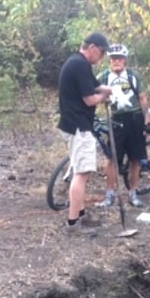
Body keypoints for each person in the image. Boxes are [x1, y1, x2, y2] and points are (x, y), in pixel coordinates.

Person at [57, 32, 113, 235]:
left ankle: (80, 213)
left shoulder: (79, 62)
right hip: (79, 126)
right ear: (92, 48)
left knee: (82, 171)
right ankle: (73, 223)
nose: (102, 57)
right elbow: (90, 99)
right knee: (81, 174)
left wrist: (106, 90)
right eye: (102, 52)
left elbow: (95, 86)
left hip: (74, 124)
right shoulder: (79, 64)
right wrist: (102, 97)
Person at [97, 43, 150, 208]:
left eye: (120, 58)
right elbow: (93, 95)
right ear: (109, 60)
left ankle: (133, 193)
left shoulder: (132, 76)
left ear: (125, 60)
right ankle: (109, 195)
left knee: (135, 159)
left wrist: (147, 121)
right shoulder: (104, 77)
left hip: (134, 119)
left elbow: (142, 98)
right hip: (115, 121)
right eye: (113, 58)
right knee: (113, 159)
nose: (117, 61)